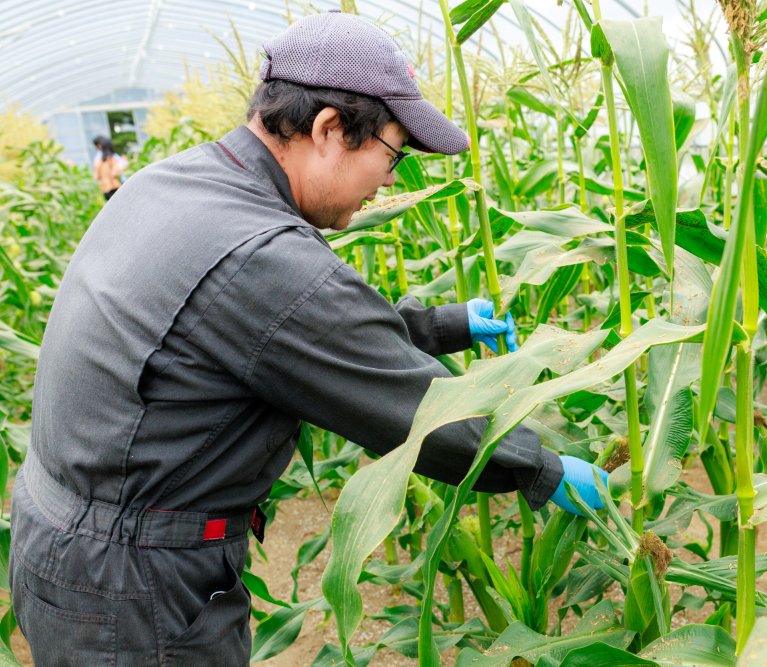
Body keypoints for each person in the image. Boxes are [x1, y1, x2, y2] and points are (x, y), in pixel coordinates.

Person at [10, 12, 607, 667]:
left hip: (68, 545)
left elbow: (281, 336)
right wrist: (538, 466)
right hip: (133, 589)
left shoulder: (177, 183)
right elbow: (416, 409)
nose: (392, 180)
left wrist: (444, 324)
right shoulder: (260, 255)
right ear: (327, 129)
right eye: (393, 154)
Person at [91, 135, 128, 200]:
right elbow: (115, 172)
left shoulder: (98, 160)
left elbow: (96, 176)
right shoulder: (112, 158)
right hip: (114, 187)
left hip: (105, 189)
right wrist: (122, 161)